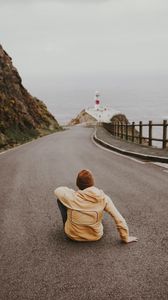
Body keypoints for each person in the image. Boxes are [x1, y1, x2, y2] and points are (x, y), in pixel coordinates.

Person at [54, 169, 137, 243]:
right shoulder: (103, 198)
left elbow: (58, 190)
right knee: (100, 212)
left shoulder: (71, 197)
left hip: (73, 236)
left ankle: (68, 226)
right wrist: (125, 237)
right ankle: (92, 223)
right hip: (95, 236)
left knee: (60, 200)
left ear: (78, 184)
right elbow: (118, 218)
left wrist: (72, 192)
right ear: (92, 183)